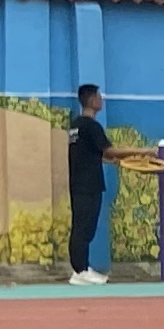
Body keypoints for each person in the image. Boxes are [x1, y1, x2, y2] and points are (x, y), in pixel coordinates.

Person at [64, 84, 113, 288]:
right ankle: (80, 271)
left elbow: (93, 154)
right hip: (88, 184)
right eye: (99, 96)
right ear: (92, 100)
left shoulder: (76, 125)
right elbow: (110, 151)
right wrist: (144, 152)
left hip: (79, 183)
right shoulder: (92, 126)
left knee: (83, 227)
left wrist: (111, 159)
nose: (101, 99)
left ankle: (82, 268)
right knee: (83, 228)